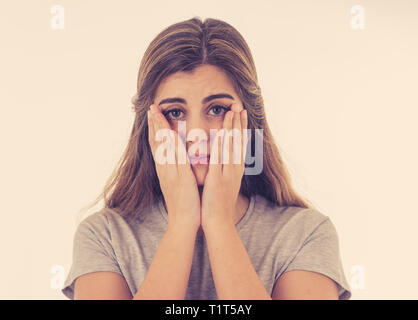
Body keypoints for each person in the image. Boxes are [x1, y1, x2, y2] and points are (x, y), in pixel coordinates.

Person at [62, 17, 351, 300]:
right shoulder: (105, 237)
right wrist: (182, 222)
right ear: (149, 126)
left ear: (249, 120)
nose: (196, 134)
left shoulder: (304, 234)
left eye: (216, 109)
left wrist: (218, 221)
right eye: (175, 112)